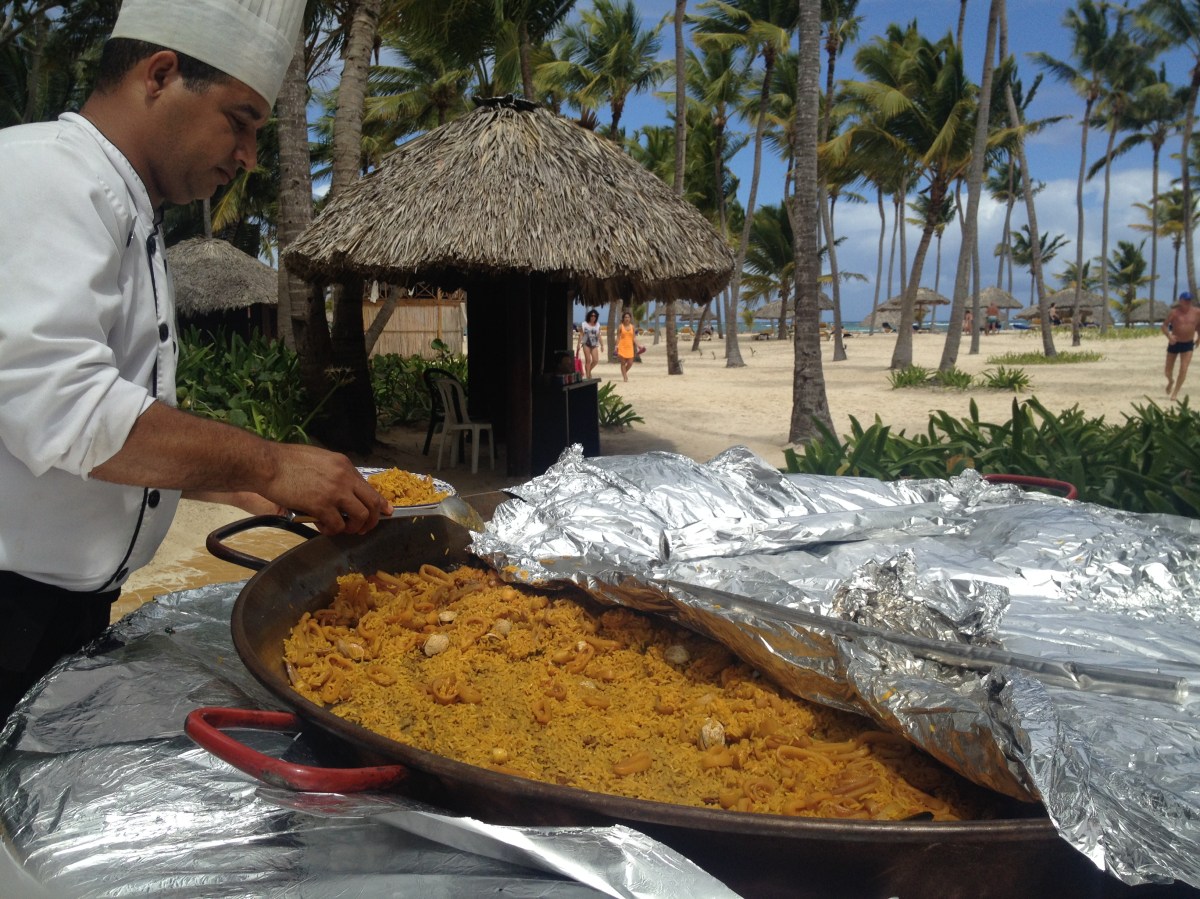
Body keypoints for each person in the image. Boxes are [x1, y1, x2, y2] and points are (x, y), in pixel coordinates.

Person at [0, 0, 392, 720]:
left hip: (59, 611)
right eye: (239, 121)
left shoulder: (127, 207)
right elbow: (64, 408)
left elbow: (111, 430)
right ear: (160, 75)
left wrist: (232, 486)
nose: (247, 155)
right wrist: (267, 463)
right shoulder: (46, 174)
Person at [1164, 291, 1200, 401]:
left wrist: (1199, 338)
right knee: (1167, 371)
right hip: (1174, 343)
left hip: (1188, 344)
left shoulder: (1197, 312)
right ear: (1180, 301)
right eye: (1186, 300)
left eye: (1189, 300)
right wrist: (1169, 336)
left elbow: (1198, 326)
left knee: (1183, 368)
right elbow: (1164, 326)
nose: (1188, 302)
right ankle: (1170, 381)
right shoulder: (1174, 313)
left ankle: (1175, 393)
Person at [577, 308, 602, 379]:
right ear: (589, 316)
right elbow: (581, 335)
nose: (593, 317)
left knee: (595, 360)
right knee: (588, 360)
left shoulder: (598, 325)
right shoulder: (584, 324)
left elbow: (599, 335)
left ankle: (588, 370)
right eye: (591, 315)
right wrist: (578, 344)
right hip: (586, 343)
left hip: (594, 344)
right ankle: (588, 376)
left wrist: (602, 345)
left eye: (594, 316)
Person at [616, 311, 637, 381]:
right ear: (623, 318)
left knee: (630, 363)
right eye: (625, 317)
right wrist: (616, 346)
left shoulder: (632, 327)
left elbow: (634, 338)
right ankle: (625, 377)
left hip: (630, 347)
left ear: (630, 318)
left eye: (628, 317)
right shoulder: (620, 327)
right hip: (622, 346)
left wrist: (639, 345)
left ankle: (624, 372)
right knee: (623, 363)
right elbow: (618, 338)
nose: (627, 318)